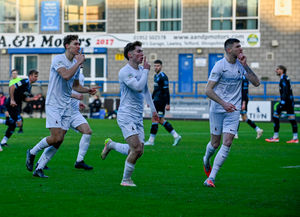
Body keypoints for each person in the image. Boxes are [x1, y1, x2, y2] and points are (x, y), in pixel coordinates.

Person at [26, 35, 97, 178]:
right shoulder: (59, 59)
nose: (78, 46)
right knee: (56, 137)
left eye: (79, 44)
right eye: (75, 44)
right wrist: (78, 63)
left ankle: (39, 168)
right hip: (54, 103)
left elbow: (76, 86)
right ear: (67, 46)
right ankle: (32, 152)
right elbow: (65, 75)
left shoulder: (75, 65)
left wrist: (87, 90)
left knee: (60, 140)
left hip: (66, 106)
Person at [202, 38, 260, 187]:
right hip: (217, 108)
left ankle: (211, 178)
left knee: (227, 142)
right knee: (215, 144)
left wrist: (246, 65)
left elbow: (256, 82)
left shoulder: (241, 66)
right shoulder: (219, 66)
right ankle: (206, 159)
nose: (241, 49)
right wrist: (223, 103)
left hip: (233, 110)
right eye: (238, 47)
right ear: (229, 50)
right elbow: (207, 90)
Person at [101, 41, 159, 187]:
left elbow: (146, 91)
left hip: (137, 116)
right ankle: (125, 180)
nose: (142, 54)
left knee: (139, 151)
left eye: (142, 51)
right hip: (126, 114)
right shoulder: (124, 72)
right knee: (137, 148)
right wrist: (146, 71)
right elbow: (139, 87)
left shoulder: (140, 70)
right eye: (138, 51)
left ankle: (111, 145)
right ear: (130, 54)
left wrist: (153, 111)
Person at [36, 73, 93, 170]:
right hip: (64, 111)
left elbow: (76, 90)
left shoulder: (81, 75)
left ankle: (79, 161)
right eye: (81, 56)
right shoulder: (67, 72)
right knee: (57, 139)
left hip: (74, 112)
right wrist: (76, 96)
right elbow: (62, 91)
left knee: (87, 131)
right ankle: (40, 161)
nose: (83, 57)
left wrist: (79, 103)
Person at [0, 70, 40, 152]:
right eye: (35, 76)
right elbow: (12, 87)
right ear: (30, 76)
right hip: (12, 104)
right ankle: (1, 121)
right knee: (18, 123)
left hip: (16, 106)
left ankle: (3, 142)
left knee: (14, 124)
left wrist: (33, 98)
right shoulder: (25, 81)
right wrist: (12, 99)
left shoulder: (29, 86)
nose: (36, 78)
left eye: (37, 76)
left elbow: (25, 99)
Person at [144, 59, 181, 146]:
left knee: (155, 119)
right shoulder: (155, 76)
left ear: (161, 66)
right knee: (160, 120)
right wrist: (150, 100)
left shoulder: (163, 77)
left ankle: (151, 141)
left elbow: (166, 91)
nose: (156, 67)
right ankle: (176, 136)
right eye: (155, 66)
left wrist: (168, 103)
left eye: (158, 66)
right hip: (155, 101)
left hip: (161, 101)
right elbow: (155, 90)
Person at [265, 65, 298, 143]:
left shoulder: (283, 79)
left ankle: (275, 137)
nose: (276, 70)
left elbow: (285, 91)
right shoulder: (286, 78)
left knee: (275, 116)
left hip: (285, 101)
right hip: (290, 101)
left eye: (278, 69)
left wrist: (283, 102)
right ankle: (295, 138)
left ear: (282, 70)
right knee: (292, 119)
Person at [235, 75, 263, 139]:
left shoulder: (243, 78)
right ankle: (258, 130)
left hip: (241, 99)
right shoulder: (244, 77)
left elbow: (244, 91)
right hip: (241, 99)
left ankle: (235, 134)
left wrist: (243, 102)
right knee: (244, 118)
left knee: (235, 116)